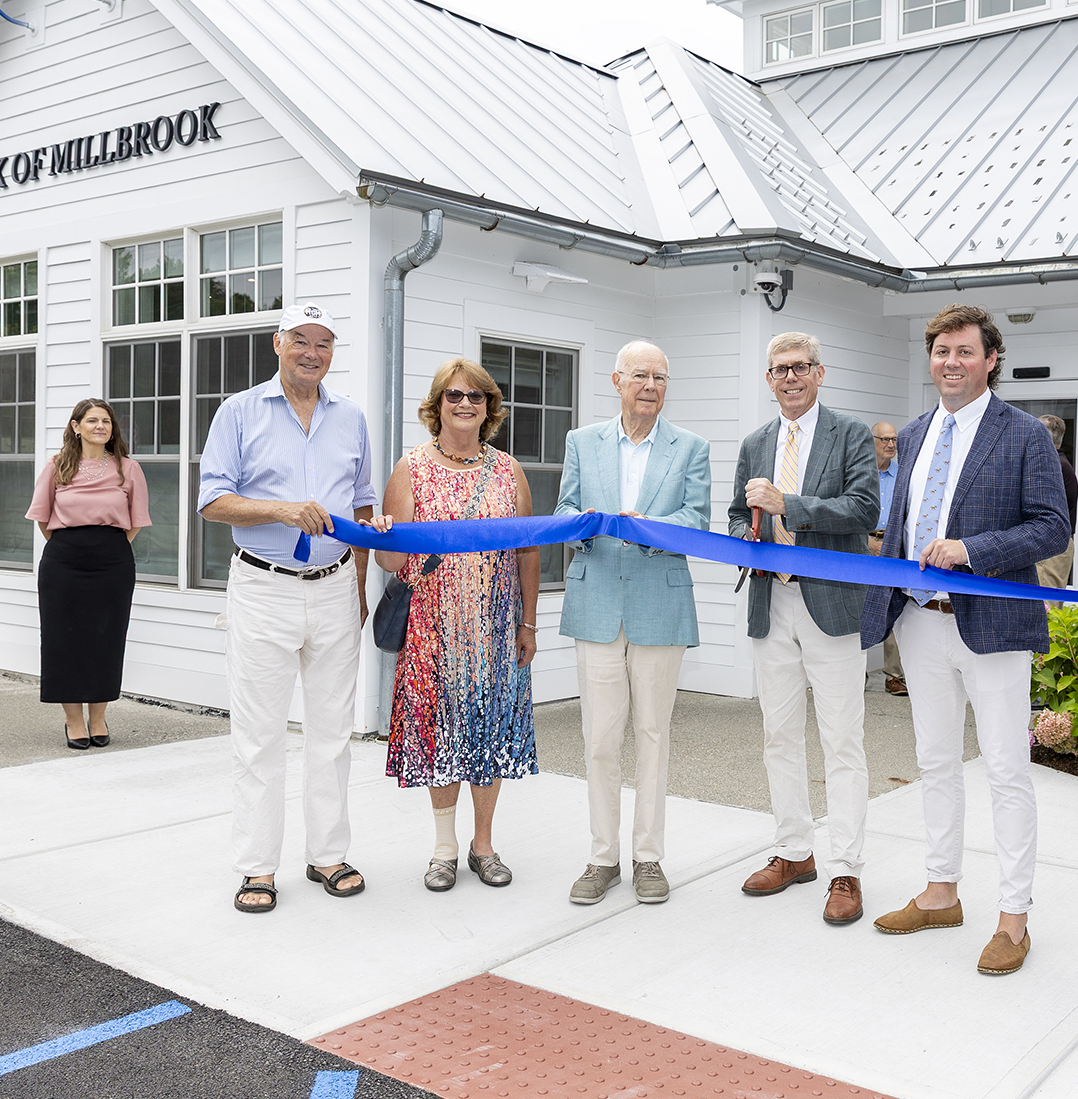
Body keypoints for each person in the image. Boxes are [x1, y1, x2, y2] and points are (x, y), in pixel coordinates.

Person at [861, 304, 1069, 976]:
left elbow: (1050, 528)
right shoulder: (916, 433)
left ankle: (1013, 918)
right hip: (920, 623)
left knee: (1006, 769)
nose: (949, 362)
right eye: (940, 351)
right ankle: (941, 890)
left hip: (991, 626)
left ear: (990, 360)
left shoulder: (1024, 436)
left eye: (962, 351)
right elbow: (900, 526)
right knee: (934, 761)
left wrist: (971, 549)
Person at [198, 304, 380, 914]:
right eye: (300, 340)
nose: (312, 352)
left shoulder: (350, 418)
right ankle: (256, 868)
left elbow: (360, 506)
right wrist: (279, 509)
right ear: (278, 344)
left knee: (332, 732)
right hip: (263, 586)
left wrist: (357, 580)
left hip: (332, 587)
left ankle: (327, 855)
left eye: (323, 343)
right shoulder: (239, 411)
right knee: (259, 736)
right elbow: (213, 501)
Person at [730, 332, 879, 924]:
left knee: (843, 741)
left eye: (799, 368)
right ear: (768, 379)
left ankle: (846, 869)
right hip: (773, 605)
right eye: (778, 370)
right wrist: (747, 528)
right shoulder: (756, 442)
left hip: (831, 606)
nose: (789, 378)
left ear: (820, 372)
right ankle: (795, 853)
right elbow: (742, 514)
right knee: (779, 736)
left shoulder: (851, 433)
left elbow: (866, 509)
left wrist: (791, 503)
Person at [555, 341, 710, 907]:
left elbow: (694, 519)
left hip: (659, 604)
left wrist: (652, 526)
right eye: (640, 376)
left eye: (661, 378)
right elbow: (565, 513)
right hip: (596, 602)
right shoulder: (581, 442)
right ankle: (602, 858)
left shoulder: (690, 447)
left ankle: (648, 857)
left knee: (652, 735)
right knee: (599, 739)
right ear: (617, 380)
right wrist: (590, 523)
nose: (650, 386)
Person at [376, 358, 540, 892]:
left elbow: (528, 551)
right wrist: (382, 536)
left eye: (476, 396)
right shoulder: (412, 468)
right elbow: (390, 563)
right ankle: (444, 847)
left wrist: (528, 624)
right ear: (437, 405)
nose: (465, 404)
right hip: (433, 627)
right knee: (439, 735)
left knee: (489, 731)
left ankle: (483, 845)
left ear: (489, 407)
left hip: (495, 626)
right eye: (454, 396)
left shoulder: (507, 469)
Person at [26, 400, 150, 750]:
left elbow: (136, 520)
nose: (100, 426)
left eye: (106, 421)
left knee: (105, 638)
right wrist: (75, 544)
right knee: (62, 639)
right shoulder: (57, 467)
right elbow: (42, 518)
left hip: (112, 562)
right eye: (92, 420)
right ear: (76, 426)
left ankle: (98, 717)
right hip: (63, 561)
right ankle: (72, 720)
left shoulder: (128, 468)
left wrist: (103, 546)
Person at [868, 421, 907, 694]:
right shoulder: (860, 475)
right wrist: (867, 542)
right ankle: (854, 675)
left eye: (893, 439)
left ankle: (894, 676)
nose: (890, 444)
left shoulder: (904, 475)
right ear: (872, 441)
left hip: (893, 547)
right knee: (859, 608)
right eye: (884, 439)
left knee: (893, 607)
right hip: (864, 543)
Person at [1034, 414, 1078, 592]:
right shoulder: (1059, 463)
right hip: (1053, 546)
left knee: (1046, 608)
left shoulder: (1053, 464)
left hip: (1051, 548)